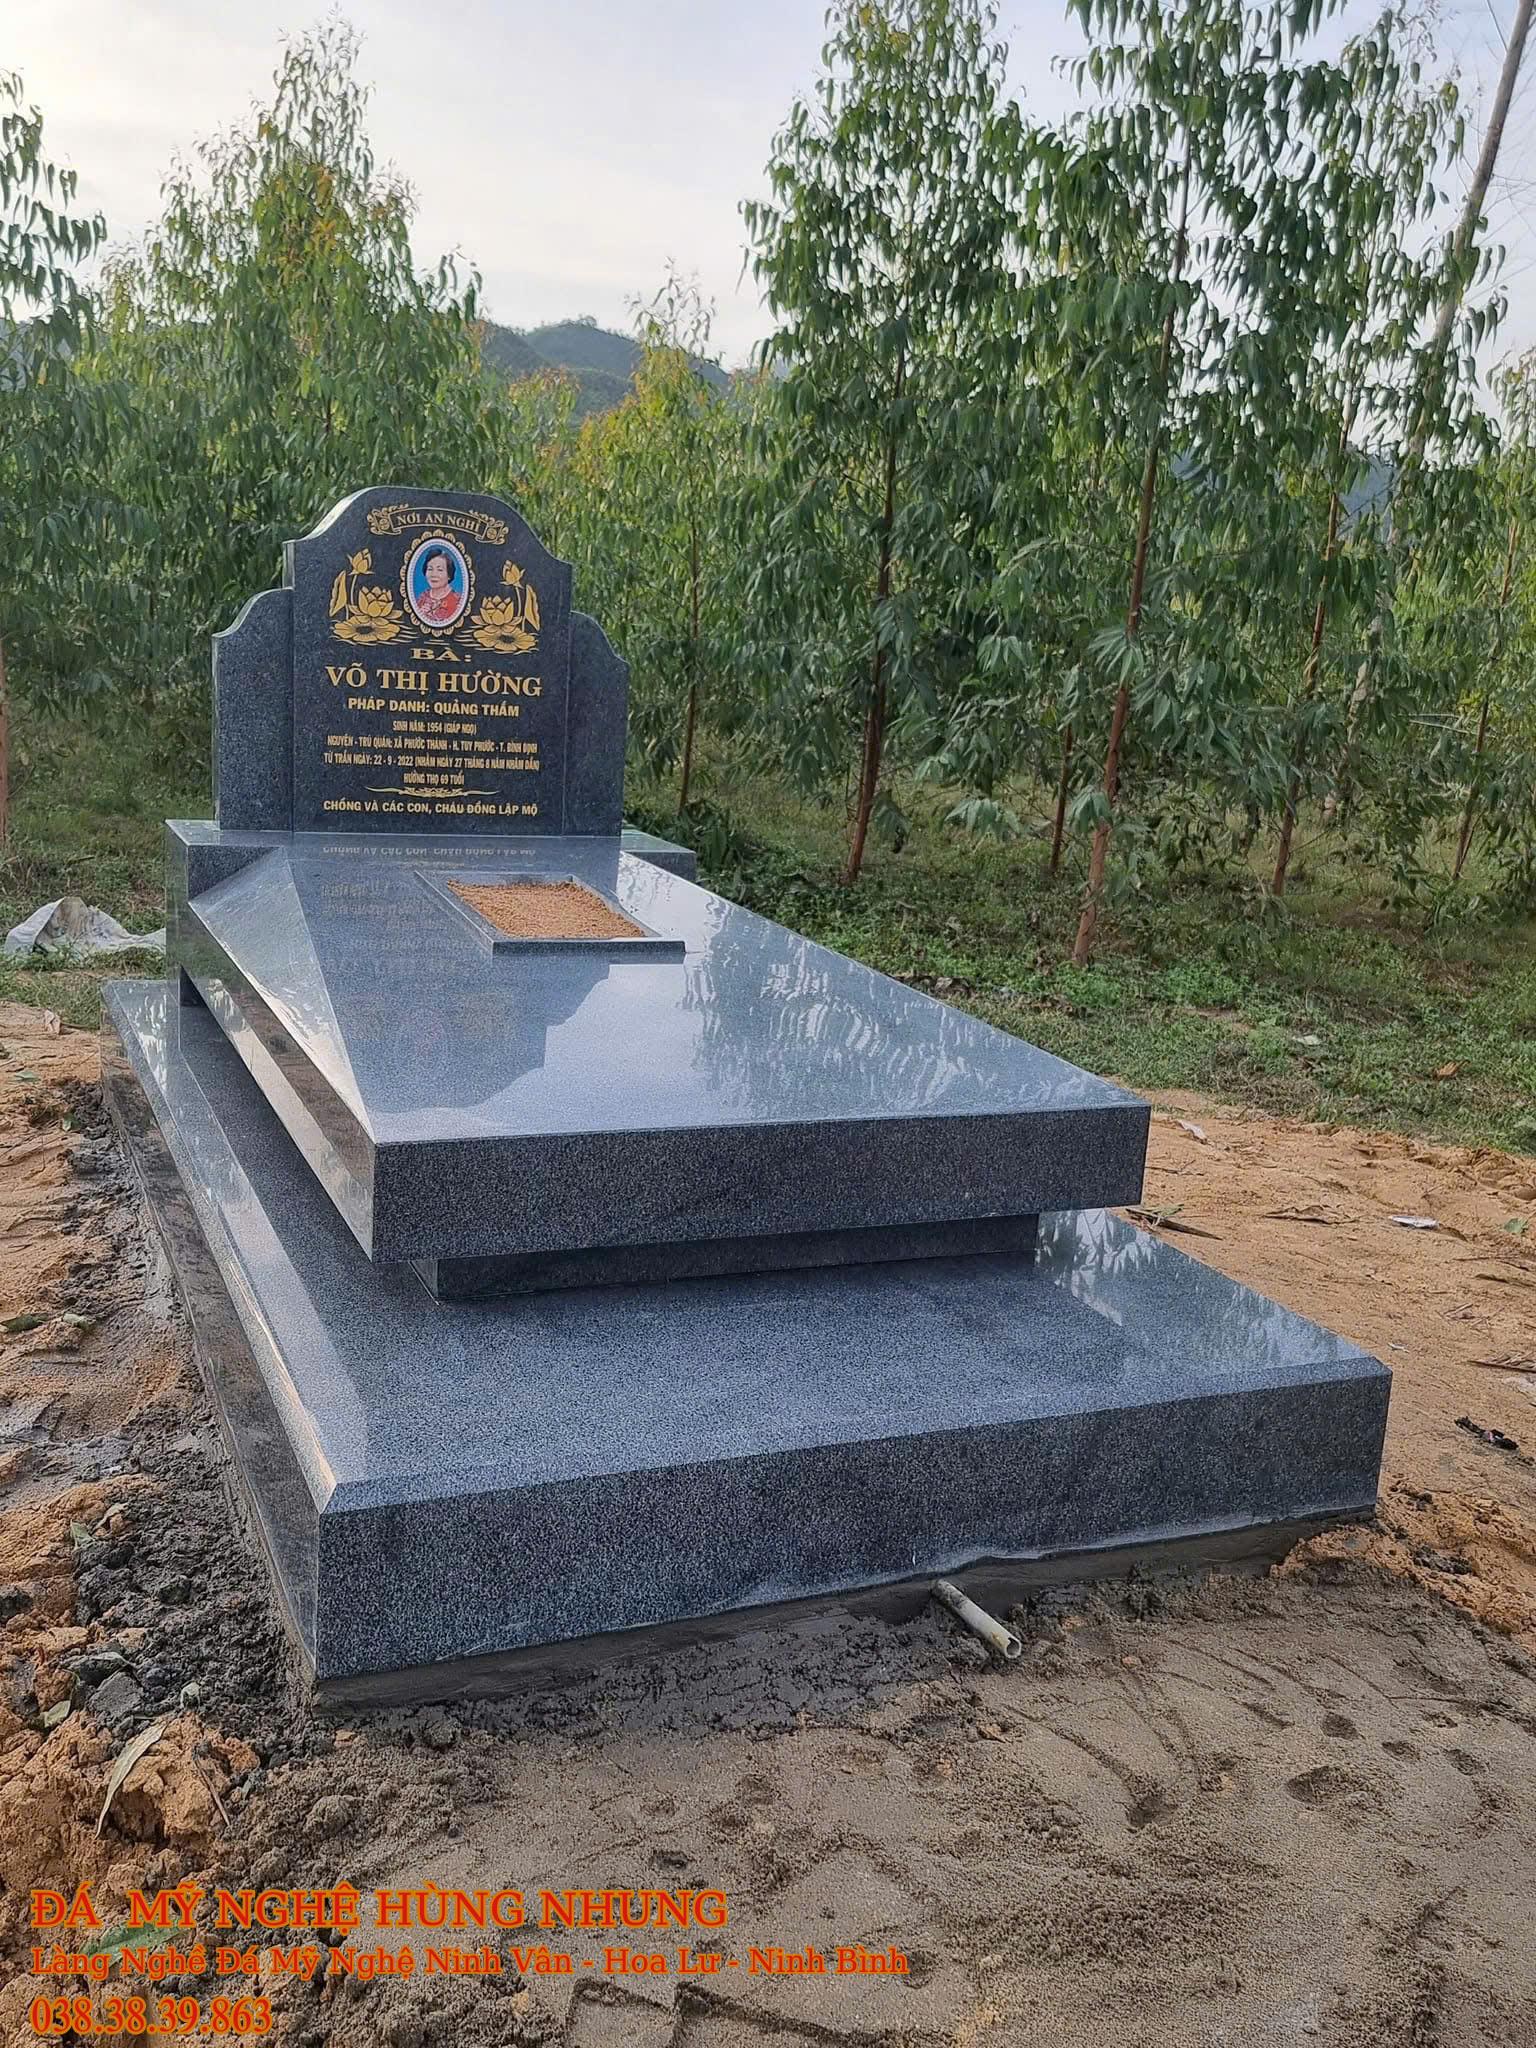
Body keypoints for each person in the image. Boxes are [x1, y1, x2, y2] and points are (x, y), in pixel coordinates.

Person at [415, 547, 463, 626]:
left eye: (440, 570)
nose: (434, 574)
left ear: (449, 575)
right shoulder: (422, 598)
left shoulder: (457, 602)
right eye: (430, 569)